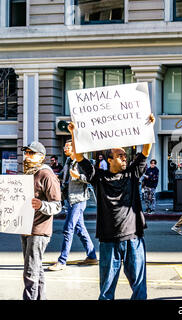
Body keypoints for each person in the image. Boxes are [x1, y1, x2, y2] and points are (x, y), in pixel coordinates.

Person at [67, 114, 154, 300]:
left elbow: (146, 150)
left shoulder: (133, 174)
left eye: (125, 156)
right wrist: (74, 133)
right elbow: (80, 156)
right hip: (108, 239)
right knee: (106, 290)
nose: (125, 158)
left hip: (134, 237)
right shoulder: (98, 176)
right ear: (110, 159)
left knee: (139, 288)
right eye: (120, 156)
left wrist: (149, 126)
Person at [48, 139, 97, 271]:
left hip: (78, 200)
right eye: (64, 146)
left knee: (68, 228)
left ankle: (62, 261)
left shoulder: (81, 163)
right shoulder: (69, 161)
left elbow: (91, 179)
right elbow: (63, 177)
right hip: (70, 200)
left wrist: (78, 176)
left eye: (67, 146)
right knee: (80, 229)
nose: (65, 148)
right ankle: (92, 256)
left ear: (75, 148)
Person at [21, 141, 62, 300]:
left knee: (30, 271)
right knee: (36, 269)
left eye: (32, 153)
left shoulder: (46, 174)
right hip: (25, 227)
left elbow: (57, 205)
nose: (28, 155)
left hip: (39, 229)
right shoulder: (28, 173)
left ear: (42, 157)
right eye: (26, 152)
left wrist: (41, 205)